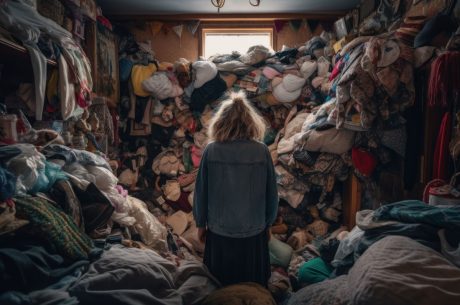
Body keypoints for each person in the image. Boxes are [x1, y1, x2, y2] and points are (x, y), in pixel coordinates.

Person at [193, 92, 279, 287]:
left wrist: (200, 224)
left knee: (221, 289)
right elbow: (272, 193)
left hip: (219, 233)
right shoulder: (261, 150)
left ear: (221, 122)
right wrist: (268, 224)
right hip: (253, 233)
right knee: (252, 288)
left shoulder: (211, 150)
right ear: (251, 122)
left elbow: (201, 192)